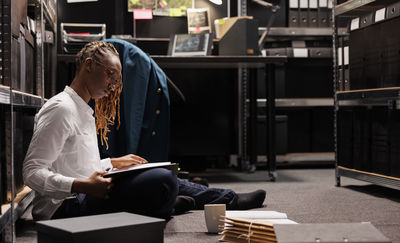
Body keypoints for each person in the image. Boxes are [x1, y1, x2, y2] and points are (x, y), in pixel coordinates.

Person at [23, 41, 266, 221]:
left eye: (117, 79)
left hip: (85, 193)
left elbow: (74, 163)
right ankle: (163, 203)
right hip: (63, 208)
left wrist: (110, 162)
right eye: (109, 74)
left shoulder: (83, 108)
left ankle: (229, 199)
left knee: (163, 173)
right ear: (88, 65)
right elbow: (32, 172)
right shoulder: (60, 108)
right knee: (161, 182)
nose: (113, 85)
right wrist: (81, 186)